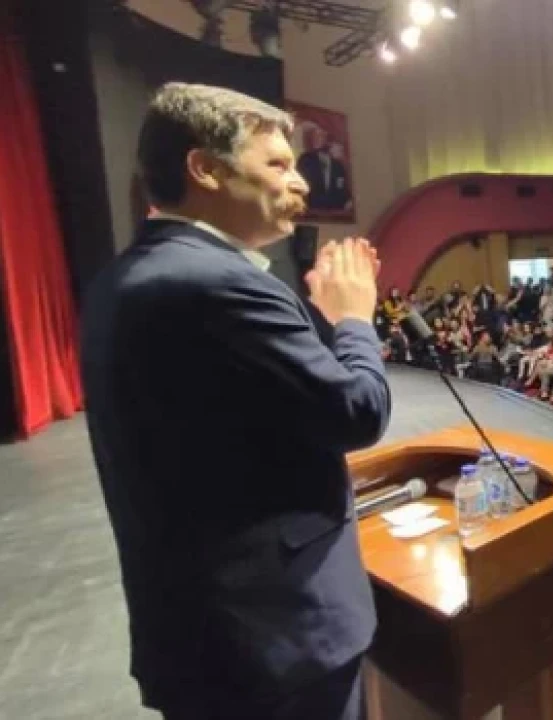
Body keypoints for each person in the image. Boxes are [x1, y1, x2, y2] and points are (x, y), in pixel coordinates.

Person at [80, 84, 390, 719]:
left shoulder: (125, 277)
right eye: (277, 163)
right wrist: (355, 318)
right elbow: (356, 411)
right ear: (205, 168)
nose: (299, 183)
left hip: (201, 635)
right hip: (274, 642)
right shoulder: (217, 281)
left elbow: (245, 414)